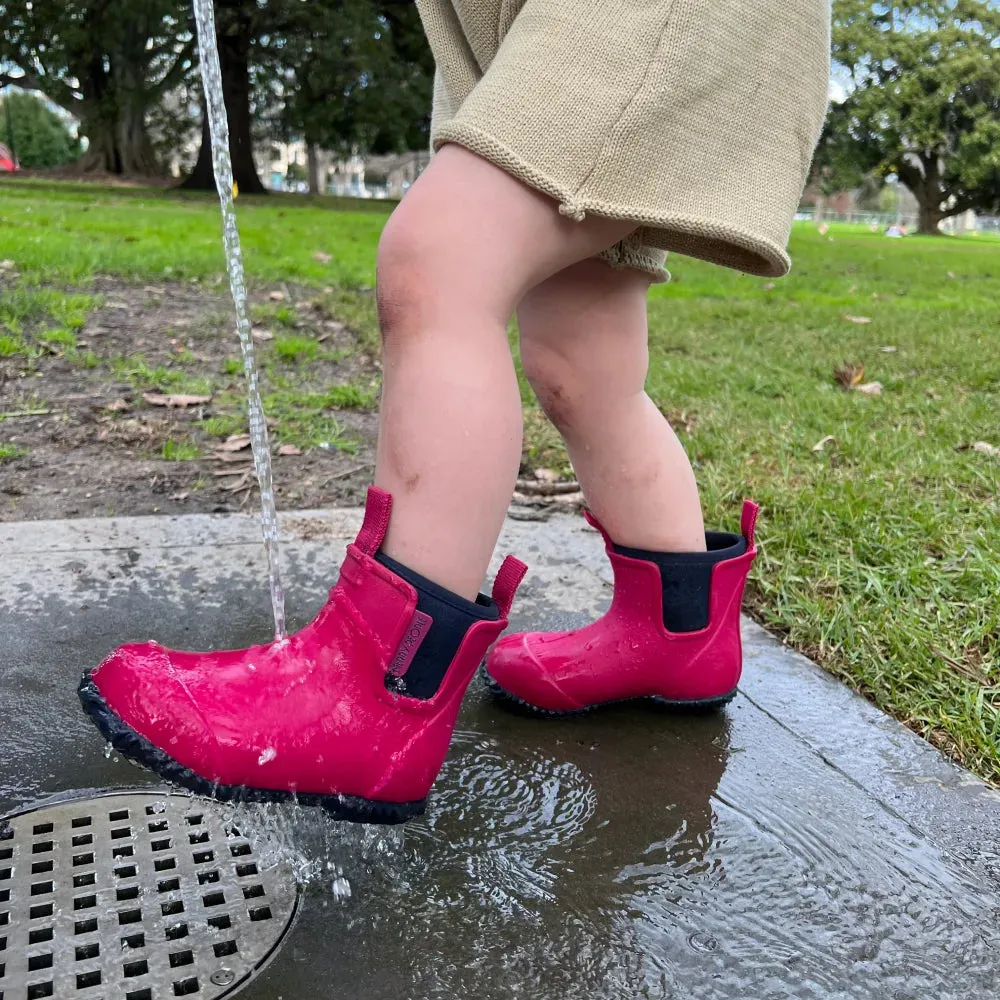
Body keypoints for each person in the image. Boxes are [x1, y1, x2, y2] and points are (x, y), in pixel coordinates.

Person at [79, 0, 831, 824]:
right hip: (503, 22)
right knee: (581, 359)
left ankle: (376, 690)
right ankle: (677, 633)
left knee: (439, 261)